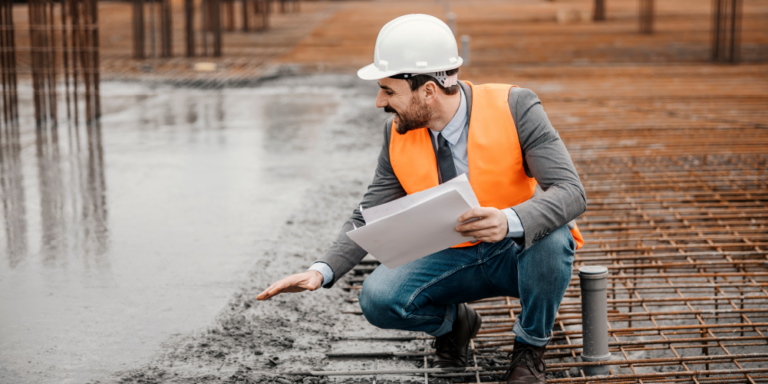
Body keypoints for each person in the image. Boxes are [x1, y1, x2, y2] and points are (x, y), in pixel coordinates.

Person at [257, 14, 586, 383]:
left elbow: (571, 191)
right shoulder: (396, 133)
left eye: (388, 90)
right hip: (450, 257)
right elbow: (368, 214)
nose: (379, 101)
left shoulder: (516, 107)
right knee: (378, 299)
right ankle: (455, 324)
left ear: (428, 90)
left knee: (554, 234)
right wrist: (321, 270)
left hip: (516, 254)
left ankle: (528, 350)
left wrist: (508, 220)